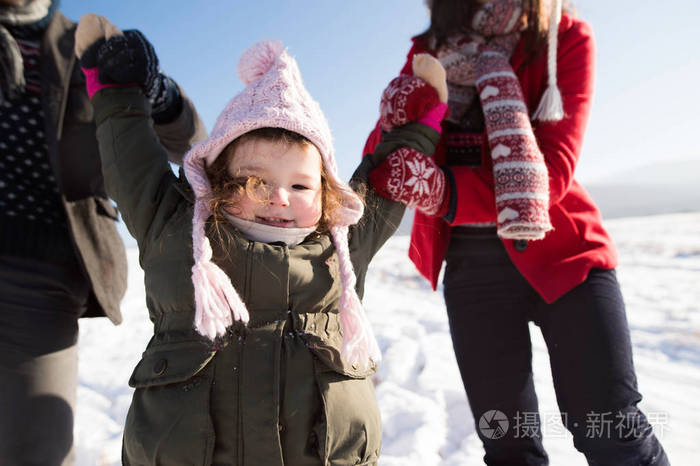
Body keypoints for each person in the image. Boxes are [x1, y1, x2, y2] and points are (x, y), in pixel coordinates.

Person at [75, 13, 449, 463]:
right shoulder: (176, 229)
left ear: (327, 190)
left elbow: (386, 181)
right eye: (256, 181)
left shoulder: (341, 242)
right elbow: (131, 162)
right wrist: (116, 91)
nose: (280, 199)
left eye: (300, 185)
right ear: (218, 183)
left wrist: (418, 126)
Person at [364, 0, 670, 464]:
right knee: (507, 444)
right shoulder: (430, 51)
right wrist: (401, 108)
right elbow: (388, 154)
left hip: (563, 254)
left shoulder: (561, 37)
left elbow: (554, 169)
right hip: (470, 269)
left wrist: (442, 190)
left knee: (611, 429)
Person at [0, 1, 206, 465]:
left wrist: (155, 91)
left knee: (35, 452)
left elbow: (191, 145)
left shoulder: (89, 46)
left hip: (38, 277)